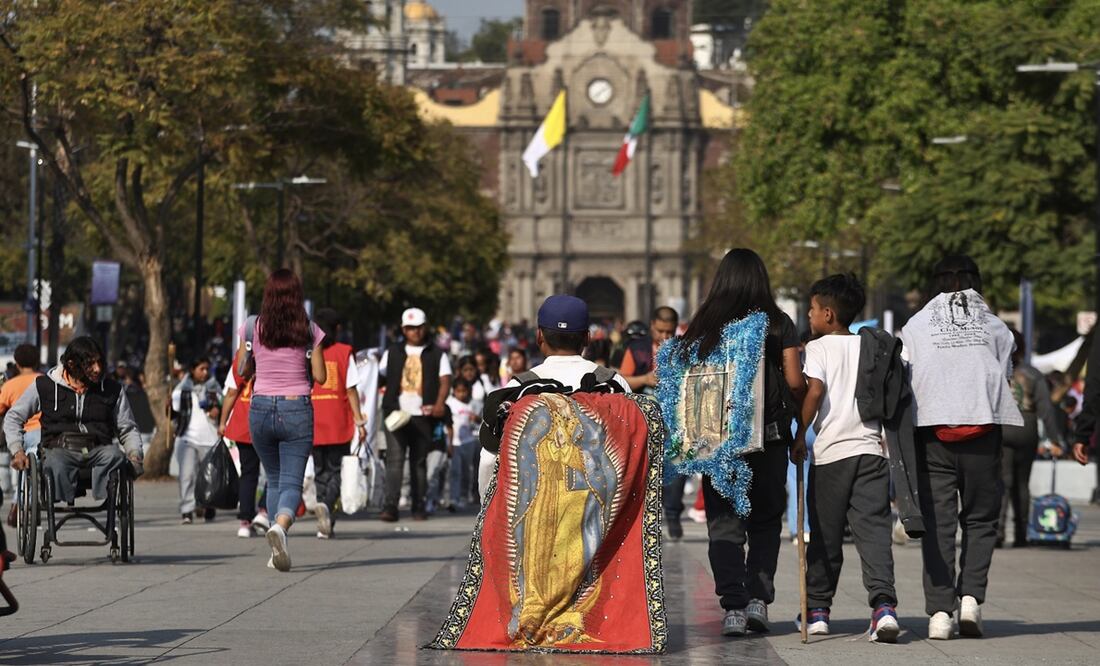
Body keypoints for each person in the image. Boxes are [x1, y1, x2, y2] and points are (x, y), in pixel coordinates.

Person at [660, 249, 804, 637]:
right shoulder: (777, 323)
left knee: (723, 525)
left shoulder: (704, 326)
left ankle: (733, 608)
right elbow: (793, 381)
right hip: (769, 438)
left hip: (716, 440)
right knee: (766, 520)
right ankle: (758, 599)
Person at [899, 255, 1022, 640]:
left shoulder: (915, 326)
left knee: (937, 524)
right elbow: (1005, 377)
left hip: (933, 435)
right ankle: (970, 599)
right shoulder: (997, 327)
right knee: (981, 520)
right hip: (983, 435)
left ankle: (939, 613)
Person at [795, 274, 899, 642]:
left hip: (832, 456)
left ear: (827, 313)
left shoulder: (819, 348)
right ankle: (884, 607)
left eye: (811, 309)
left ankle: (819, 610)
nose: (808, 316)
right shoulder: (867, 347)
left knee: (825, 534)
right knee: (873, 532)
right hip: (871, 451)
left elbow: (815, 390)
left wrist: (799, 434)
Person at [476, 295, 631, 499]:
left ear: (539, 336)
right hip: (598, 512)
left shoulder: (517, 388)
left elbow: (489, 460)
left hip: (534, 512)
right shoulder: (613, 384)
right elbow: (632, 449)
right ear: (587, 337)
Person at [234, 269, 327, 572]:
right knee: (291, 481)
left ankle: (276, 547)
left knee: (273, 477)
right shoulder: (310, 330)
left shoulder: (252, 327)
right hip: (296, 407)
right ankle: (282, 527)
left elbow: (241, 370)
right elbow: (322, 376)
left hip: (260, 408)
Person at [5, 336, 143, 505]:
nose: (97, 369)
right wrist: (17, 450)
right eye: (90, 364)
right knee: (54, 460)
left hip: (98, 449)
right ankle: (61, 495)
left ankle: (107, 499)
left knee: (115, 456)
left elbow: (127, 427)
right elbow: (13, 418)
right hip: (59, 449)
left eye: (99, 362)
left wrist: (135, 454)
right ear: (71, 364)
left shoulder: (112, 389)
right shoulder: (45, 386)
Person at [379, 307, 452, 522]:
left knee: (419, 462)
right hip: (396, 412)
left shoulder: (437, 353)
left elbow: (445, 380)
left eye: (418, 328)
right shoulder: (392, 352)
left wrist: (439, 404)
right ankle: (390, 506)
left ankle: (418, 506)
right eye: (410, 328)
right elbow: (380, 376)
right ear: (403, 329)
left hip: (423, 414)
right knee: (394, 460)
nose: (415, 332)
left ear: (425, 328)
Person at [619, 307, 682, 538]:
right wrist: (645, 379)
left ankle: (673, 514)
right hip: (643, 419)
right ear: (651, 325)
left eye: (669, 332)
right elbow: (622, 380)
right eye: (660, 331)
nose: (665, 337)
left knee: (676, 468)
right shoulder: (636, 349)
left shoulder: (682, 350)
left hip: (675, 421)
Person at [999, 328, 1062, 548]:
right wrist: (1055, 439)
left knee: (1003, 482)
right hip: (1027, 426)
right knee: (1022, 484)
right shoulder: (1033, 374)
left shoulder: (997, 370)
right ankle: (1021, 533)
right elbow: (1046, 409)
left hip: (1004, 427)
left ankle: (998, 532)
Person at [310, 308, 366, 539]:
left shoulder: (309, 351)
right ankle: (326, 507)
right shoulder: (344, 352)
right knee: (335, 470)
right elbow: (351, 389)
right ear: (338, 328)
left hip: (313, 418)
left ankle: (324, 515)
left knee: (320, 469)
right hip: (337, 420)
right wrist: (359, 420)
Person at [219, 361, 269, 538]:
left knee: (248, 473)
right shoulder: (274, 358)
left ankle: (245, 522)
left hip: (244, 423)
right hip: (267, 421)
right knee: (275, 470)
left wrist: (222, 422)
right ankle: (264, 510)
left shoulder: (240, 362)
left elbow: (231, 393)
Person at [171, 357, 222, 524]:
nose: (205, 372)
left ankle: (209, 506)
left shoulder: (214, 388)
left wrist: (217, 409)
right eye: (201, 369)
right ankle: (187, 510)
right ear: (193, 370)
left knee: (209, 477)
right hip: (187, 438)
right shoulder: (182, 390)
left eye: (207, 369)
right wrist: (169, 402)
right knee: (187, 476)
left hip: (209, 439)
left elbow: (221, 404)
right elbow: (174, 411)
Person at [2, 344, 42, 526]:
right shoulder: (46, 381)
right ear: (37, 361)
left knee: (22, 466)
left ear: (17, 364)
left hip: (21, 433)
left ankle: (17, 504)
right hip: (44, 432)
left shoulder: (10, 385)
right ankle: (28, 502)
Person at [446, 379, 479, 510]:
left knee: (467, 471)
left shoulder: (470, 405)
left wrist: (475, 418)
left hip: (468, 441)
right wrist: (448, 441)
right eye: (458, 391)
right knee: (455, 471)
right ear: (454, 391)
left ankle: (464, 496)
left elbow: (478, 421)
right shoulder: (450, 404)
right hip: (455, 442)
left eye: (464, 391)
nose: (461, 394)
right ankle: (454, 497)